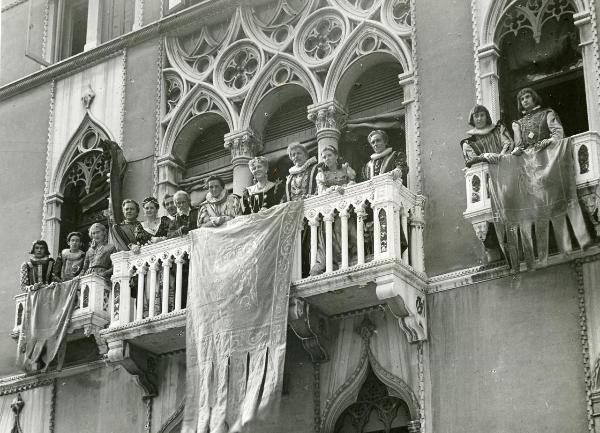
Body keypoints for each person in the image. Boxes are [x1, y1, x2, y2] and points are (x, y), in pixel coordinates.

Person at [310, 146, 357, 275]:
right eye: (324, 157)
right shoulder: (322, 174)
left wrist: (348, 186)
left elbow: (353, 182)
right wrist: (334, 189)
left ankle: (353, 258)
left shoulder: (345, 169)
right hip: (332, 212)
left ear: (336, 156)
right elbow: (321, 191)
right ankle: (340, 261)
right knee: (336, 230)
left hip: (349, 208)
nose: (327, 159)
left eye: (329, 155)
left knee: (353, 232)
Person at [511, 87, 564, 155]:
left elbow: (558, 133)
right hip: (530, 158)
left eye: (527, 97)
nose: (525, 100)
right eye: (522, 99)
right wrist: (517, 150)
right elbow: (519, 147)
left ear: (534, 98)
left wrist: (550, 140)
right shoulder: (518, 123)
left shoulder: (547, 113)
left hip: (548, 154)